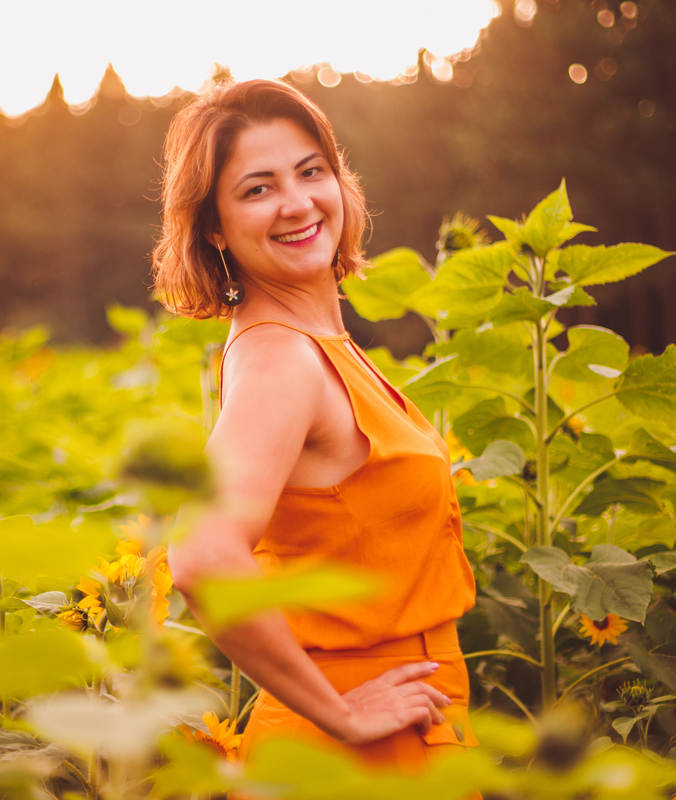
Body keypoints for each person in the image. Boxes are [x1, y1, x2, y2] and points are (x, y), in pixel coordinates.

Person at [152, 79, 478, 777]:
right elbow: (204, 554)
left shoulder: (310, 342)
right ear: (214, 226)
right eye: (257, 189)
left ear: (340, 181)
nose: (297, 203)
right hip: (355, 755)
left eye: (311, 172)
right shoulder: (281, 358)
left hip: (404, 732)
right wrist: (340, 710)